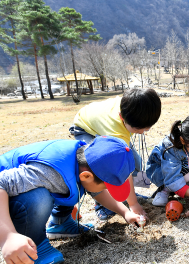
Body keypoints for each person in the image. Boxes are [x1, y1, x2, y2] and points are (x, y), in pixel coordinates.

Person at [0, 136, 141, 264]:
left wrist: (125, 212)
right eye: (106, 186)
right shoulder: (48, 171)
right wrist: (7, 236)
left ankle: (60, 223)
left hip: (10, 199)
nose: (105, 190)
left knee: (72, 186)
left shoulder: (83, 160)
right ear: (87, 175)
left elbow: (96, 191)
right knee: (39, 197)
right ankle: (35, 246)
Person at [67, 88, 161, 221]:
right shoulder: (117, 132)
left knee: (135, 163)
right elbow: (122, 168)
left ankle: (124, 194)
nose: (143, 132)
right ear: (122, 117)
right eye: (138, 129)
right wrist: (133, 204)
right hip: (86, 129)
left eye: (147, 127)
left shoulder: (131, 106)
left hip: (103, 123)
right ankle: (102, 205)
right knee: (100, 170)